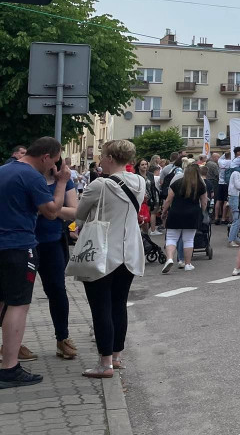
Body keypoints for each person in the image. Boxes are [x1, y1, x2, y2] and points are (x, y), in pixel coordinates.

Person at [0, 137, 69, 387]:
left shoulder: (4, 170)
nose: (55, 166)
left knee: (2, 302)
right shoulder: (32, 176)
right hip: (18, 247)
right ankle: (9, 368)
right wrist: (60, 182)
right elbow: (51, 212)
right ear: (46, 157)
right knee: (18, 305)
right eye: (55, 161)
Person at [75, 140, 145, 380]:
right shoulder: (140, 181)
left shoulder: (99, 185)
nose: (100, 160)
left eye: (103, 156)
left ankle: (105, 364)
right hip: (130, 252)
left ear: (112, 159)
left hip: (103, 252)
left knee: (101, 307)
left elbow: (79, 213)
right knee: (118, 305)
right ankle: (116, 356)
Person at [33, 146, 79, 361]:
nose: (55, 163)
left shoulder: (64, 180)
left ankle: (63, 337)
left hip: (52, 242)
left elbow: (75, 211)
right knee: (15, 296)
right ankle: (12, 344)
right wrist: (51, 208)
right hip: (26, 243)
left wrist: (50, 209)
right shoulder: (30, 178)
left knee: (57, 291)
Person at [160, 163, 208, 273]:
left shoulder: (177, 183)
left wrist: (163, 212)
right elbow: (204, 202)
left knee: (171, 238)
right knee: (188, 240)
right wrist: (201, 213)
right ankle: (187, 264)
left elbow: (168, 200)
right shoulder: (200, 185)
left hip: (175, 213)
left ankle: (170, 258)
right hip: (192, 214)